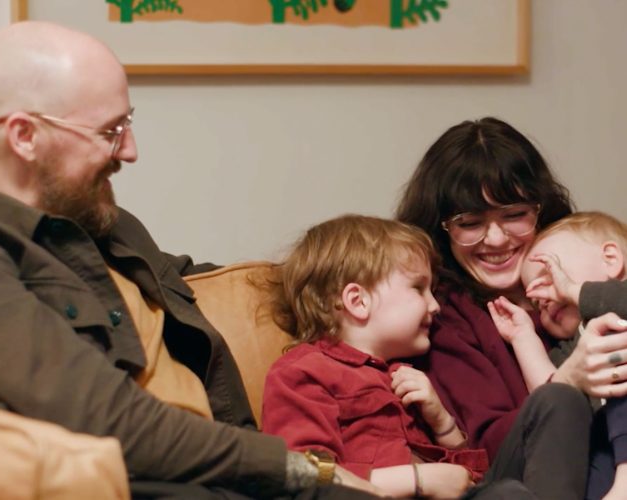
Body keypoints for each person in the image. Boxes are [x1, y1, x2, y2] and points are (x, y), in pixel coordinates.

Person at [0, 21, 384, 499]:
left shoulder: (104, 220)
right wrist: (305, 469)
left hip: (239, 475)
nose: (131, 150)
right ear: (24, 136)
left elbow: (194, 276)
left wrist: (381, 281)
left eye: (128, 123)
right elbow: (112, 419)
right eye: (110, 131)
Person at [261, 214, 592, 499]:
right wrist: (417, 479)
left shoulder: (408, 373)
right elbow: (301, 475)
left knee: (559, 399)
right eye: (418, 289)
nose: (435, 306)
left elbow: (468, 476)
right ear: (357, 301)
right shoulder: (303, 372)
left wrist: (442, 422)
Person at [395, 117, 627, 492]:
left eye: (515, 215)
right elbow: (487, 451)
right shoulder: (442, 316)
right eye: (470, 223)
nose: (497, 238)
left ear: (541, 209)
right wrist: (571, 380)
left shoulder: (582, 270)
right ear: (442, 228)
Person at [487, 211, 627, 499]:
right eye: (535, 302)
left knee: (615, 339)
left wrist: (575, 291)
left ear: (611, 259)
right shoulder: (573, 346)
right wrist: (524, 337)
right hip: (602, 459)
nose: (541, 297)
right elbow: (552, 402)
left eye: (549, 276)